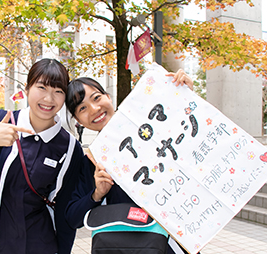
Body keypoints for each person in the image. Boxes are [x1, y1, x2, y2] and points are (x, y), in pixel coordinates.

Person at [65, 71, 194, 254]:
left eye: (96, 98)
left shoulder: (153, 128)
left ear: (108, 97)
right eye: (82, 108)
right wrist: (97, 194)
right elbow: (72, 217)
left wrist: (184, 96)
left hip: (177, 242)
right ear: (79, 121)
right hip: (129, 247)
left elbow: (189, 139)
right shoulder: (93, 161)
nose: (94, 109)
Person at [0, 58, 85, 254]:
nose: (49, 99)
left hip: (38, 241)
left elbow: (63, 206)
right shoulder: (0, 121)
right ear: (27, 89)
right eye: (42, 87)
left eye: (58, 91)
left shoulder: (69, 147)